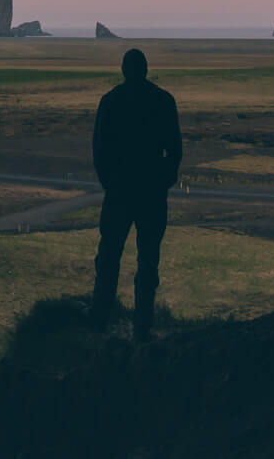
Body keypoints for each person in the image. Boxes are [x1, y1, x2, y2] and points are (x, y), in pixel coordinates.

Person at [90, 47, 182, 341]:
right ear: (145, 69)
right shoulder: (163, 101)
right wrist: (163, 181)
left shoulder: (111, 101)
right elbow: (175, 150)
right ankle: (142, 325)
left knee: (108, 258)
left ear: (123, 70)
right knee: (148, 261)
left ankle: (99, 320)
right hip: (151, 193)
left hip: (119, 191)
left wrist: (109, 183)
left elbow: (99, 150)